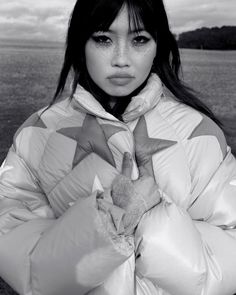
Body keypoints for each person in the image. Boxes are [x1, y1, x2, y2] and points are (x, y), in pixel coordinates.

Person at [0, 0, 236, 294]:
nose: (122, 59)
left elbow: (228, 260)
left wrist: (151, 217)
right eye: (103, 39)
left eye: (139, 39)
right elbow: (20, 259)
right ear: (80, 43)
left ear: (158, 45)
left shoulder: (199, 134)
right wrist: (107, 221)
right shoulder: (39, 133)